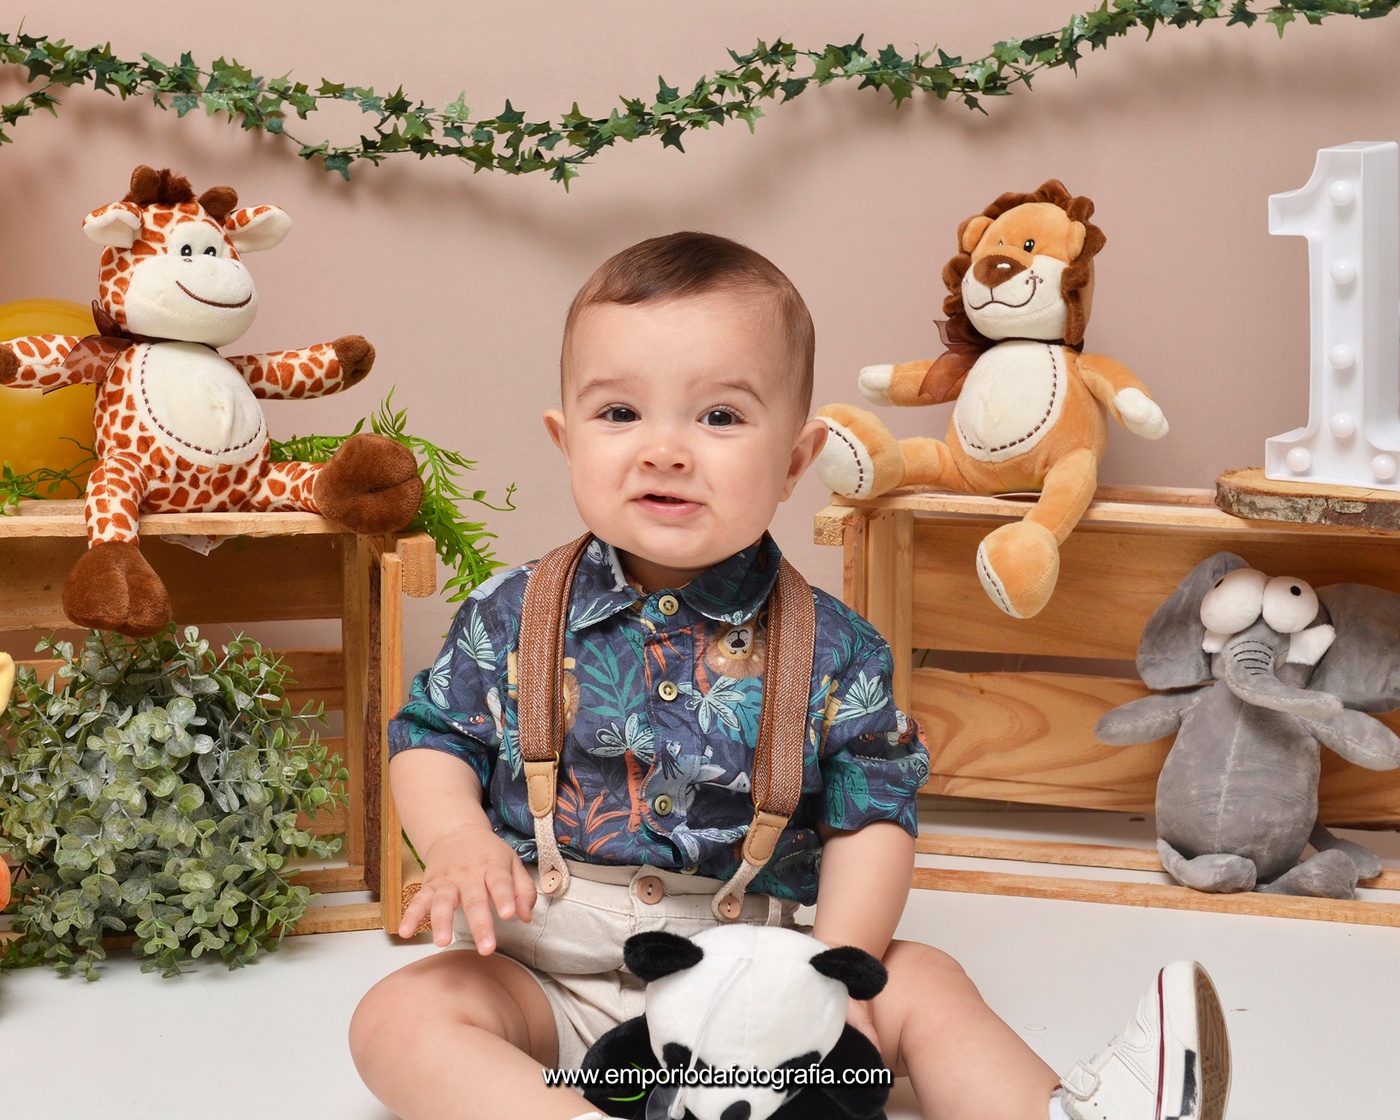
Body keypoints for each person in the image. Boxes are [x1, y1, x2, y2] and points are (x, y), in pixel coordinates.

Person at [349, 231, 1231, 1120]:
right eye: (619, 413)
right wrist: (457, 839)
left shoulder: (837, 649)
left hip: (759, 986)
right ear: (565, 438)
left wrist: (832, 974)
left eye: (719, 417)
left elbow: (871, 818)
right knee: (401, 1016)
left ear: (795, 462)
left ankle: (1058, 1115)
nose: (665, 450)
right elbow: (434, 738)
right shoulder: (512, 612)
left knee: (925, 981)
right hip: (549, 974)